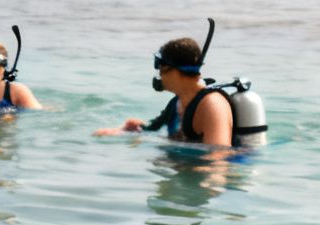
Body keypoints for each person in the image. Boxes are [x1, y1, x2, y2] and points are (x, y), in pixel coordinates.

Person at [96, 36, 235, 146]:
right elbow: (152, 131)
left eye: (161, 68)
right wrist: (127, 131)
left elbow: (219, 155)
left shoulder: (212, 104)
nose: (159, 75)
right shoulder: (177, 103)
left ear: (174, 71)